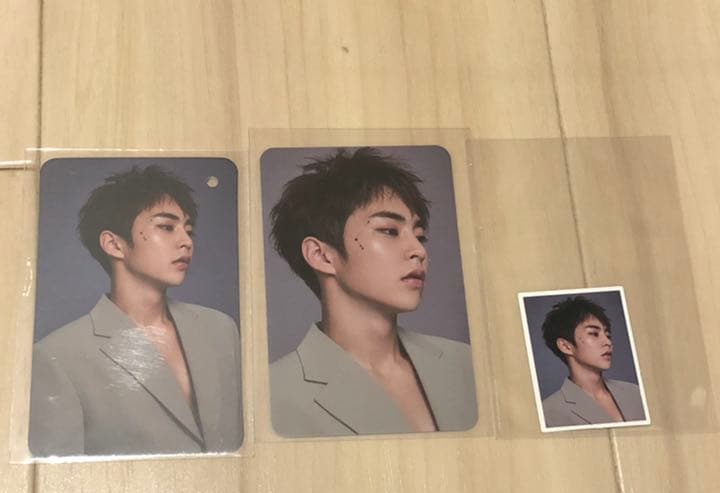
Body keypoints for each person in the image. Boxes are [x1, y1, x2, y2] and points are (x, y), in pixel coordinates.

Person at [29, 165, 242, 456]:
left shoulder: (221, 329)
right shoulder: (58, 358)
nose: (187, 242)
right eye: (166, 227)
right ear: (114, 244)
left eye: (188, 229)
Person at [268, 147, 477, 437]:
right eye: (389, 231)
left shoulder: (465, 363)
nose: (418, 251)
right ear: (321, 255)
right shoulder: (275, 395)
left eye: (420, 236)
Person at [540, 296, 645, 427]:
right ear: (566, 346)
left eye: (608, 335)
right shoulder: (549, 412)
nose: (608, 342)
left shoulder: (635, 392)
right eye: (594, 334)